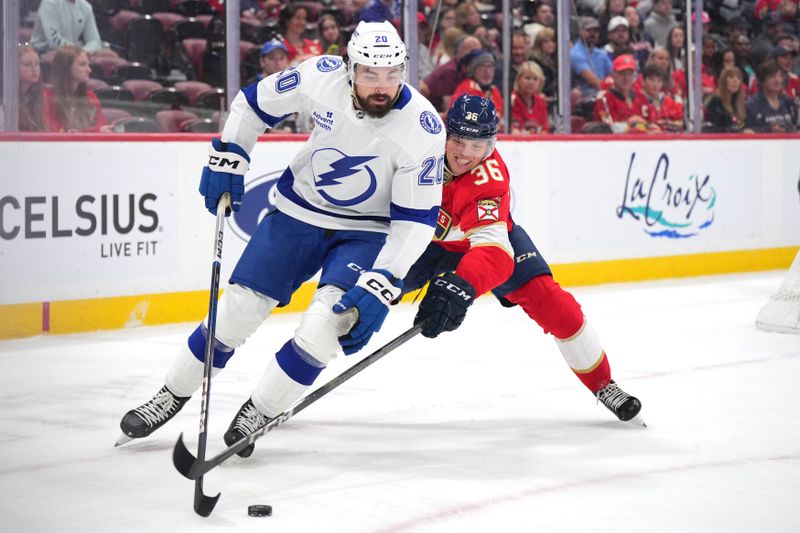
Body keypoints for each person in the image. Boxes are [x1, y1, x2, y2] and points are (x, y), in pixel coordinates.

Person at [117, 21, 446, 457]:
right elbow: (252, 103)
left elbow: (417, 218)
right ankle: (171, 393)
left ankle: (261, 409)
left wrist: (384, 277)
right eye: (369, 74)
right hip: (297, 214)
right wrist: (231, 152)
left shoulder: (423, 128)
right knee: (235, 311)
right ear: (350, 68)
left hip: (366, 232)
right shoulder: (320, 76)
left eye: (392, 74)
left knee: (327, 325)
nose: (382, 86)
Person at [404, 94, 644, 425]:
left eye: (478, 145)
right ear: (445, 132)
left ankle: (604, 385)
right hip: (424, 243)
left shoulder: (491, 179)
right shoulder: (416, 147)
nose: (465, 154)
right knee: (364, 292)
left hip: (488, 241)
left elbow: (493, 251)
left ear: (491, 144)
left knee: (558, 309)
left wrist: (462, 285)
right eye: (458, 140)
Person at [42, 45, 109, 132]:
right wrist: (94, 131)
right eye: (82, 65)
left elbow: (103, 129)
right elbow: (59, 134)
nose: (89, 70)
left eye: (88, 64)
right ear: (66, 68)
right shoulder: (47, 98)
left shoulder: (91, 98)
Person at [594, 54, 651, 133]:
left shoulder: (641, 97)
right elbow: (607, 128)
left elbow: (651, 123)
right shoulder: (604, 98)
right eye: (622, 73)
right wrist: (629, 123)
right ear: (612, 74)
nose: (626, 78)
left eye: (630, 74)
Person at [30, 0, 103, 54]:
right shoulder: (49, 3)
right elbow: (54, 41)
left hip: (72, 55)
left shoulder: (86, 7)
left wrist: (84, 51)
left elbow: (95, 41)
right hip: (42, 53)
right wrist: (78, 52)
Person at [746, 59, 798, 132]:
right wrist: (768, 129)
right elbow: (747, 131)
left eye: (779, 75)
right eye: (772, 77)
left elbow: (796, 126)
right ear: (762, 81)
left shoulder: (788, 102)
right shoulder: (752, 105)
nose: (777, 80)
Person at [451, 50, 504, 122]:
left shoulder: (493, 90)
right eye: (482, 66)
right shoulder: (467, 89)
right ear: (473, 70)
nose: (487, 71)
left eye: (490, 66)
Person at [570, 16, 613, 100]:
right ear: (580, 31)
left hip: (603, 93)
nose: (592, 34)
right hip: (585, 96)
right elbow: (592, 81)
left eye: (595, 31)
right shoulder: (575, 53)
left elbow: (613, 73)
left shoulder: (601, 53)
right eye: (589, 31)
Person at [705, 66, 751, 133]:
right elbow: (715, 129)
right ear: (724, 81)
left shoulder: (738, 105)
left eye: (738, 78)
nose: (735, 81)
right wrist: (738, 131)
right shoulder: (716, 102)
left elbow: (742, 125)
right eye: (731, 77)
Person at [510, 61, 550, 134]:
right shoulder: (512, 100)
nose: (531, 82)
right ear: (519, 80)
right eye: (527, 78)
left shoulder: (541, 101)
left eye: (535, 79)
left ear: (540, 82)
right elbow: (512, 127)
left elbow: (545, 129)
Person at [18, 45, 46, 131]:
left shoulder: (41, 96)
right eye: (27, 64)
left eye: (37, 64)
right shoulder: (5, 99)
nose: (34, 69)